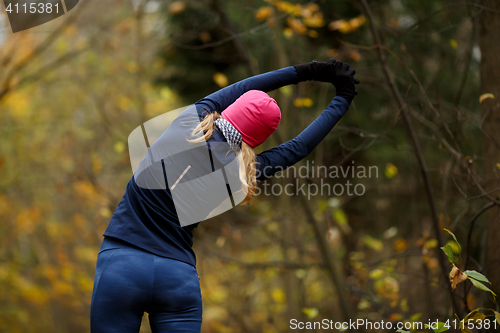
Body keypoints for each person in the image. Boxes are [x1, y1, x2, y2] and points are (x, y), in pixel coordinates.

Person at [90, 58, 359, 333]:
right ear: (258, 138)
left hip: (123, 264)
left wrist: (308, 71)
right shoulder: (245, 174)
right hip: (178, 278)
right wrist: (343, 98)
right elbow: (299, 148)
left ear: (231, 109)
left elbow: (245, 86)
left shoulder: (189, 122)